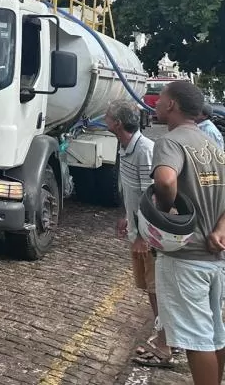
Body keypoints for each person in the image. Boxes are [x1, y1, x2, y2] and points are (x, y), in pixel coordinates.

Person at [151, 80, 225, 385]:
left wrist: (167, 212)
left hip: (185, 256)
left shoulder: (171, 142)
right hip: (214, 258)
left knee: (196, 340)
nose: (155, 103)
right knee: (214, 334)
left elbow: (166, 181)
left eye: (160, 99)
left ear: (172, 105)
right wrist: (221, 228)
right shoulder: (213, 145)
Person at [104, 101, 172, 367]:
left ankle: (166, 341)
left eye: (109, 117)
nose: (105, 120)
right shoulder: (124, 147)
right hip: (137, 229)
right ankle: (161, 332)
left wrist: (144, 235)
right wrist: (125, 215)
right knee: (149, 288)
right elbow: (130, 190)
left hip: (149, 234)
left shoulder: (144, 149)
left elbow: (150, 196)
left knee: (157, 288)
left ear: (118, 124)